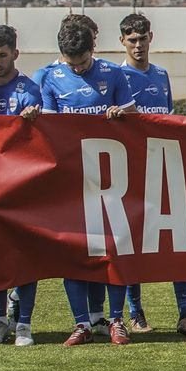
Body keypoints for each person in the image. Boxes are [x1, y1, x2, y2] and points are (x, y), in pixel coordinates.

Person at [40, 17, 137, 346]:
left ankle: (117, 320)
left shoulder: (113, 74)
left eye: (81, 62)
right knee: (74, 253)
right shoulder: (50, 78)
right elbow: (48, 132)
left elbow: (137, 122)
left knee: (114, 250)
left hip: (111, 180)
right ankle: (81, 323)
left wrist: (122, 117)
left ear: (93, 49)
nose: (77, 69)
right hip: (71, 182)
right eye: (71, 63)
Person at [118, 12, 186, 338]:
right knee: (133, 242)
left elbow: (167, 119)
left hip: (164, 168)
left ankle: (184, 313)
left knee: (178, 240)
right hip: (132, 173)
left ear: (150, 38)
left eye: (142, 39)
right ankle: (135, 312)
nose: (138, 45)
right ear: (122, 42)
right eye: (132, 40)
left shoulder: (161, 75)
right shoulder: (118, 76)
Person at [0, 25, 41, 346]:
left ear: (15, 54)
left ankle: (25, 325)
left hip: (22, 186)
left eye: (2, 55)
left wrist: (34, 120)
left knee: (24, 255)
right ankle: (0, 320)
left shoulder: (29, 91)